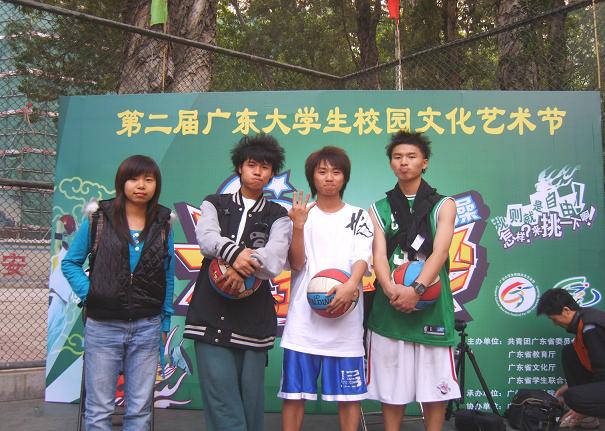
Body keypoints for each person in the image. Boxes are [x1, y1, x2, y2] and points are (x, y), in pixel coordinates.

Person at [184, 134, 291, 431]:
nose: (258, 171)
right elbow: (206, 239)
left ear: (272, 173)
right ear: (239, 168)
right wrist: (235, 254)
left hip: (253, 320)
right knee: (221, 398)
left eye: (265, 167)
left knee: (251, 402)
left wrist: (241, 269)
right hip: (210, 315)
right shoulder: (214, 203)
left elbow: (275, 258)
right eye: (252, 164)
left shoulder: (278, 215)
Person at [62, 155, 175, 431]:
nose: (141, 185)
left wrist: (164, 321)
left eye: (148, 179)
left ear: (157, 185)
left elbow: (167, 275)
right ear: (121, 182)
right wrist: (92, 294)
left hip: (147, 326)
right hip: (103, 326)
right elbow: (70, 263)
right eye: (133, 179)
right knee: (99, 409)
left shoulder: (163, 223)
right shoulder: (99, 218)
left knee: (139, 410)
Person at [366, 131, 459, 431]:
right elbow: (379, 256)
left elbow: (440, 252)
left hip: (430, 305)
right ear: (391, 163)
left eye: (411, 156)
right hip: (391, 305)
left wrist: (417, 290)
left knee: (435, 387)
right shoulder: (378, 208)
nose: (404, 162)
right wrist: (392, 290)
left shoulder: (444, 204)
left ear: (424, 163)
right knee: (391, 386)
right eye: (397, 157)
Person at [279, 146, 374, 431]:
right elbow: (297, 264)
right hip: (303, 324)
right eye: (322, 172)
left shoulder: (359, 216)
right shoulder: (300, 215)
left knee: (349, 398)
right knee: (294, 395)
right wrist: (298, 226)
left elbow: (362, 256)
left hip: (345, 322)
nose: (329, 178)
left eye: (336, 172)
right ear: (312, 177)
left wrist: (351, 285)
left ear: (345, 177)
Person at [536, 288, 605, 427]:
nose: (555, 323)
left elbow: (602, 370)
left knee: (573, 397)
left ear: (566, 310)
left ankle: (585, 413)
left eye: (554, 319)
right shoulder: (584, 320)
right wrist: (572, 386)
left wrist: (582, 407)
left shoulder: (591, 327)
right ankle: (589, 417)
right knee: (570, 352)